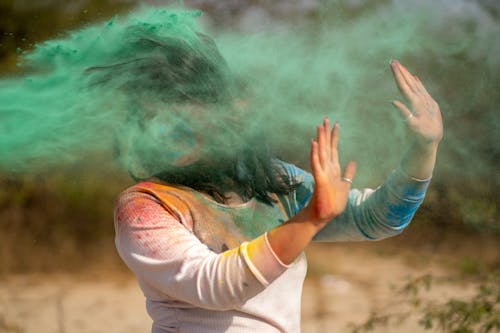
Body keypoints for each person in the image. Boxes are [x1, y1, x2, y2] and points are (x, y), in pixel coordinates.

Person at [112, 17, 443, 333]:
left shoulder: (269, 182)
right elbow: (216, 285)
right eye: (151, 115)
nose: (165, 127)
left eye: (186, 104)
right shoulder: (145, 206)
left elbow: (376, 219)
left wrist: (424, 147)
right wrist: (310, 220)